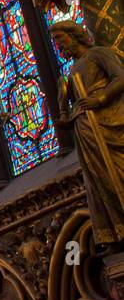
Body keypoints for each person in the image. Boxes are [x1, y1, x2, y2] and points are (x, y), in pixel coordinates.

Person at [52, 20, 124, 253]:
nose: (59, 46)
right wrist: (64, 112)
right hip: (86, 132)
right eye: (55, 42)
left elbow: (120, 77)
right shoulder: (72, 71)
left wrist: (99, 99)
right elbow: (69, 109)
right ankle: (115, 230)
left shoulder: (98, 55)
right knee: (99, 180)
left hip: (109, 122)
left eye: (60, 39)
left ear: (75, 35)